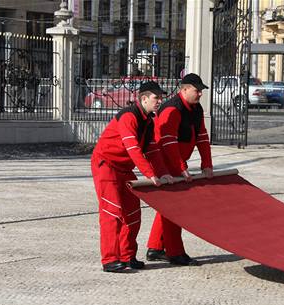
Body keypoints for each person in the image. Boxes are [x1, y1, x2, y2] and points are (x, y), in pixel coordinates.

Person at [91, 81, 173, 273]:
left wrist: (164, 174)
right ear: (144, 98)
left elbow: (153, 151)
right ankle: (110, 259)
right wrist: (150, 175)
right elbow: (133, 149)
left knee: (133, 212)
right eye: (156, 97)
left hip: (124, 168)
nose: (160, 101)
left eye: (161, 97)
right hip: (106, 165)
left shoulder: (149, 121)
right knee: (112, 211)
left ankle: (127, 256)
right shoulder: (129, 116)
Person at [146, 73, 213, 266]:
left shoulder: (196, 109)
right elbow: (167, 143)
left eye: (201, 90)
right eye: (197, 90)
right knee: (176, 207)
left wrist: (207, 165)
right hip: (164, 162)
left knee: (167, 208)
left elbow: (202, 137)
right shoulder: (172, 109)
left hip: (175, 162)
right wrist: (181, 168)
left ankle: (155, 248)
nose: (200, 93)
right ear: (183, 89)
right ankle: (175, 252)